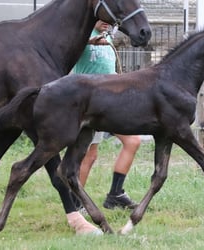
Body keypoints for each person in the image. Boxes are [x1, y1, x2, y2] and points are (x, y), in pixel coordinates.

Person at [72, 20, 141, 210]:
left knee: (133, 141)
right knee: (88, 155)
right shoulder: (82, 32)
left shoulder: (108, 36)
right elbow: (70, 46)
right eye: (103, 19)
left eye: (110, 21)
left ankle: (115, 194)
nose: (107, 23)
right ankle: (76, 205)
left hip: (108, 104)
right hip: (88, 104)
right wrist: (89, 42)